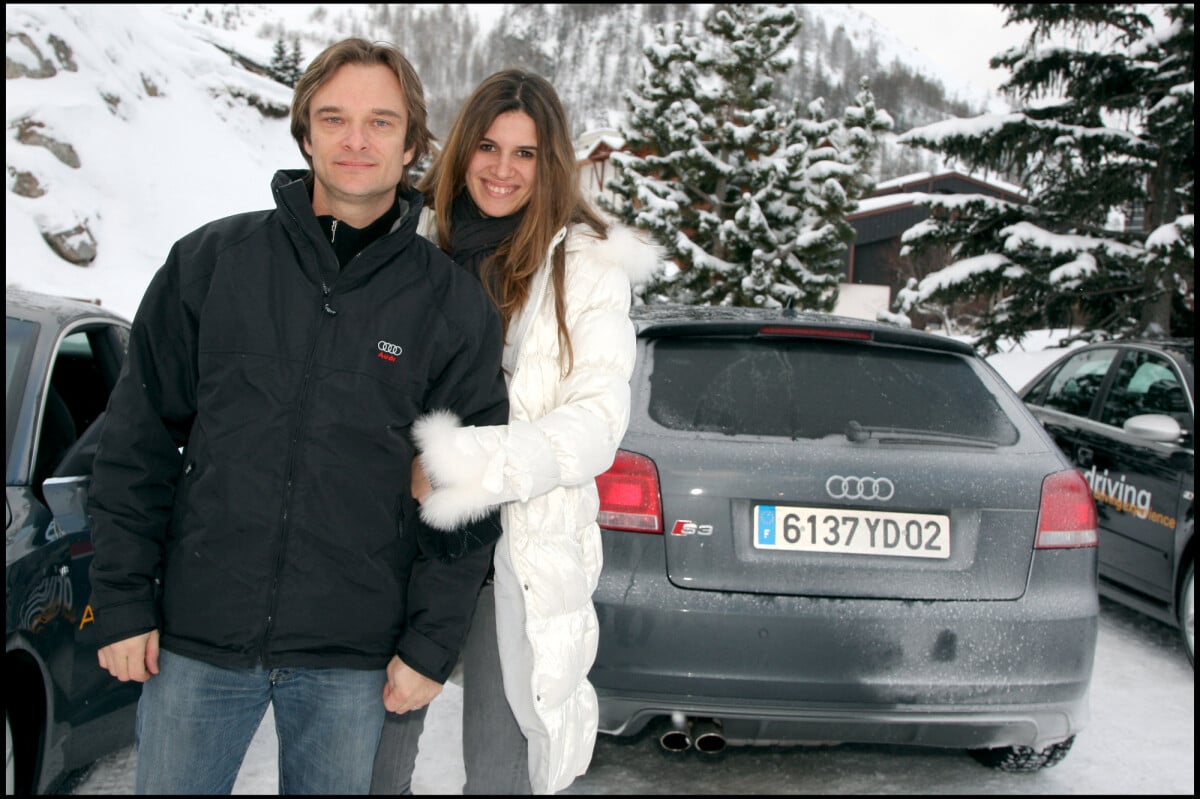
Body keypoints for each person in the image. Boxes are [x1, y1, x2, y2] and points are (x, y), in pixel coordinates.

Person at [86, 38, 509, 795]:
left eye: (381, 122)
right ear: (304, 132)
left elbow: (467, 494)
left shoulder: (450, 306)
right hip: (196, 644)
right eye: (334, 118)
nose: (356, 140)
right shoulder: (211, 264)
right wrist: (120, 601)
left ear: (412, 143)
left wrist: (429, 645)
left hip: (352, 664)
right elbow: (136, 444)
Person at [369, 69, 661, 795]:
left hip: (516, 553)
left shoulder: (588, 267)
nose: (503, 170)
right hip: (391, 542)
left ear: (551, 161)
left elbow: (595, 423)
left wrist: (458, 463)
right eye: (489, 147)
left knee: (501, 773)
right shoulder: (411, 238)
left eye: (525, 154)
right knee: (368, 765)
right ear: (464, 148)